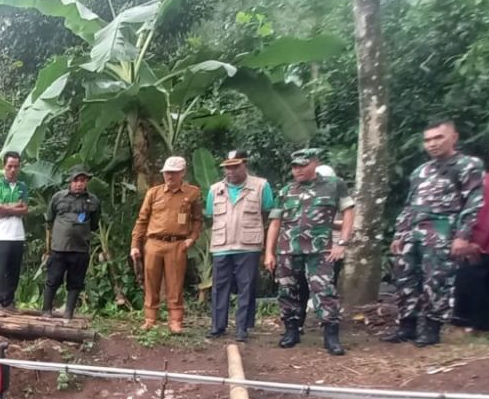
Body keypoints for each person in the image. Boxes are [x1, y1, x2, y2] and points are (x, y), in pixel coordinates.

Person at [384, 120, 484, 347]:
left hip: (442, 232)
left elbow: (474, 203)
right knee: (405, 279)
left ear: (454, 137)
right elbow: (410, 204)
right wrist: (399, 233)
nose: (432, 144)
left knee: (436, 281)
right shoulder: (421, 171)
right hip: (413, 232)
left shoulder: (468, 165)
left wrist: (462, 236)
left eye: (438, 138)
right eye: (427, 140)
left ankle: (431, 328)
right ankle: (406, 326)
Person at [264, 149, 355, 356]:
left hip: (320, 250)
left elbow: (349, 211)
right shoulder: (286, 191)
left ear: (315, 163)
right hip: (289, 249)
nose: (298, 170)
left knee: (324, 290)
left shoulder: (333, 185)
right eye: (295, 166)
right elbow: (275, 223)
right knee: (287, 290)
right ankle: (291, 331)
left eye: (303, 165)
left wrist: (342, 243)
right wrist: (269, 253)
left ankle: (331, 336)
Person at [204, 150, 275, 341]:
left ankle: (242, 328)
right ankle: (217, 326)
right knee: (219, 287)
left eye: (235, 166)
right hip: (221, 245)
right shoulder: (214, 189)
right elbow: (211, 215)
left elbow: (268, 213)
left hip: (248, 245)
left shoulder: (261, 186)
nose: (231, 171)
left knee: (247, 286)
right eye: (227, 167)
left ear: (245, 164)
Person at [129, 156, 203, 332]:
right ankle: (150, 318)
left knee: (175, 283)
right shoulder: (154, 193)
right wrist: (135, 245)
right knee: (151, 282)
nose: (169, 177)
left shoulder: (192, 193)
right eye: (167, 173)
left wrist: (191, 239)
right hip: (154, 243)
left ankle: (175, 320)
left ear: (182, 173)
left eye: (174, 173)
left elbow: (198, 219)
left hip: (177, 244)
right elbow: (142, 220)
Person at [452, 141, 489, 333]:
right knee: (471, 284)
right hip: (479, 243)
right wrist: (464, 238)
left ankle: (488, 327)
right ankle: (465, 324)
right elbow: (463, 211)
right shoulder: (480, 183)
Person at [43, 166, 100, 322]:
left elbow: (94, 223)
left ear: (86, 182)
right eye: (76, 180)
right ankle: (46, 310)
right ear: (70, 181)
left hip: (80, 249)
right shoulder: (58, 197)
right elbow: (50, 219)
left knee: (75, 283)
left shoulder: (93, 200)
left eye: (82, 180)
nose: (79, 184)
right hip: (59, 248)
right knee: (53, 279)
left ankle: (68, 313)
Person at [0, 151, 29, 314]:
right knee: (0, 269)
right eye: (10, 166)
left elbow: (25, 210)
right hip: (1, 235)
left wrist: (7, 207)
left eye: (16, 166)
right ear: (4, 167)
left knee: (14, 270)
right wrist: (15, 207)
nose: (13, 169)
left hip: (18, 235)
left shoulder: (22, 187)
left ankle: (9, 302)